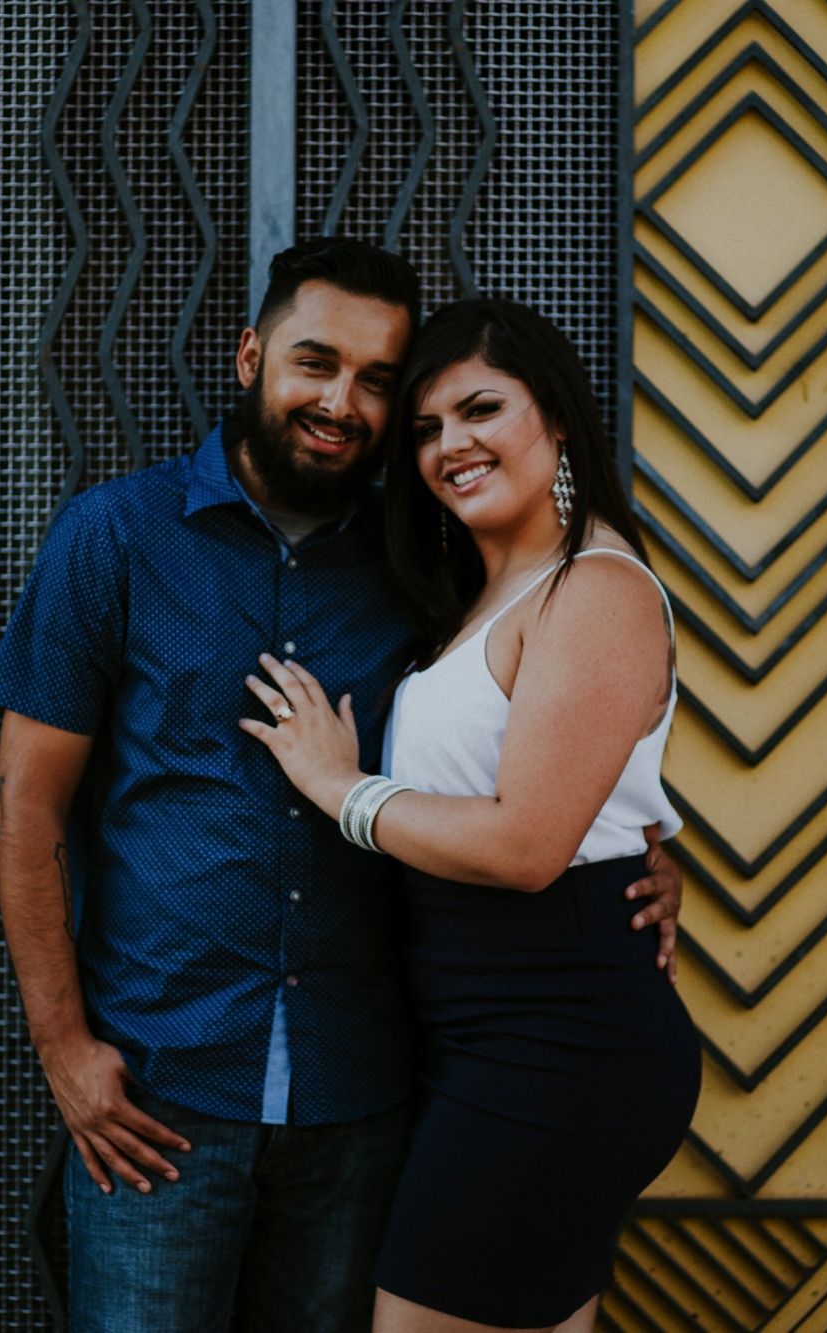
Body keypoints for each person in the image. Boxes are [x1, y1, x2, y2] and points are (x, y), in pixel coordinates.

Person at [0, 240, 684, 1333]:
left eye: (376, 382)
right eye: (315, 362)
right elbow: (23, 807)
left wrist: (638, 846)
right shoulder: (114, 536)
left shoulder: (427, 559)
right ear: (251, 357)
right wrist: (63, 1049)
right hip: (163, 1088)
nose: (340, 402)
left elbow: (551, 735)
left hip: (364, 1094)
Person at [238, 298, 700, 1333]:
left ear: (558, 417)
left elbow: (529, 845)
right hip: (487, 1043)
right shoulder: (488, 594)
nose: (451, 445)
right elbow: (591, 797)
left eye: (480, 409)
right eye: (426, 428)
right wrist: (652, 851)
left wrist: (339, 788)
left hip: (554, 1048)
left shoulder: (594, 586)